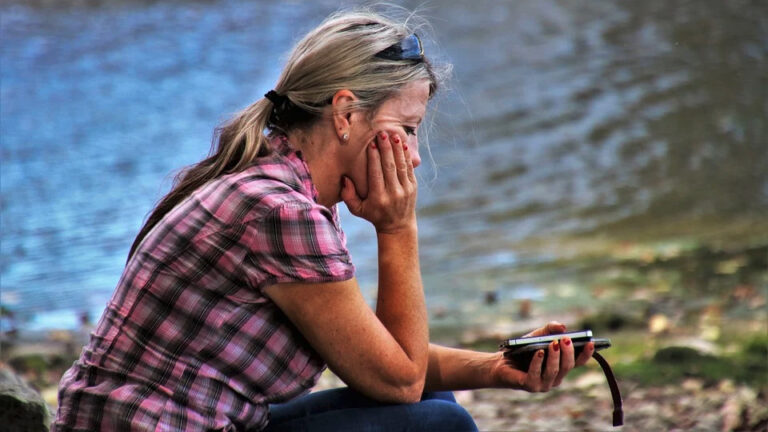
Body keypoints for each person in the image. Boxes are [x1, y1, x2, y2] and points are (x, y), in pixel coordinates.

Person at [53, 9, 594, 432]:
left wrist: (497, 368)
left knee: (435, 404)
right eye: (405, 129)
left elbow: (382, 359)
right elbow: (399, 379)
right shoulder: (281, 212)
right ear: (345, 114)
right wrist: (397, 229)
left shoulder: (278, 185)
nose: (414, 155)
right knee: (436, 424)